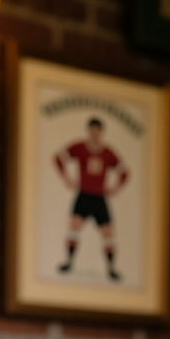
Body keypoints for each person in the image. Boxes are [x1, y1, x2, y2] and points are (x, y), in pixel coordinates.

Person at [53, 117, 128, 280]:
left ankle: (111, 269)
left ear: (101, 132)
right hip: (83, 195)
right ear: (89, 131)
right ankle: (69, 262)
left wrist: (115, 187)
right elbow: (58, 157)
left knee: (108, 233)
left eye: (97, 131)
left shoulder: (108, 152)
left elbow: (124, 171)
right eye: (92, 130)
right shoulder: (80, 147)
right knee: (74, 227)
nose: (94, 133)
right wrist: (66, 178)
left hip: (99, 197)